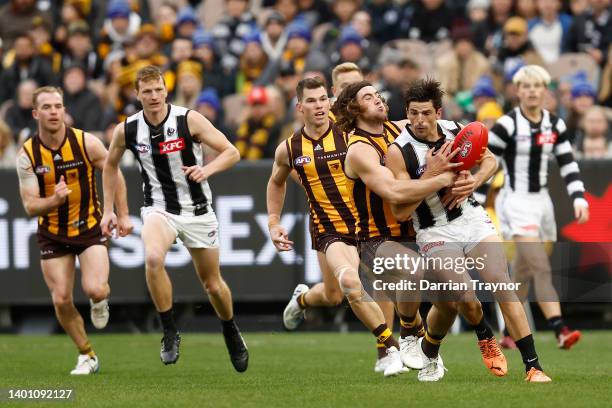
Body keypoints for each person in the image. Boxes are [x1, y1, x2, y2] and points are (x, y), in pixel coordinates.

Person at [388, 78, 551, 382]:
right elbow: (400, 210)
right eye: (413, 113)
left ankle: (533, 367)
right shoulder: (399, 152)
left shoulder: (455, 130)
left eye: (426, 113)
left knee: (501, 282)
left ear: (438, 111)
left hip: (471, 219)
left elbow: (489, 160)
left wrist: (474, 182)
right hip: (434, 231)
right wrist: (432, 176)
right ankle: (484, 334)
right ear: (407, 113)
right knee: (464, 296)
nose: (419, 120)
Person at [268, 77, 428, 377]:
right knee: (342, 288)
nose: (319, 106)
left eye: (323, 99)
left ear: (330, 101)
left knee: (390, 282)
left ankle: (394, 348)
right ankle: (389, 344)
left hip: (367, 226)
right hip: (331, 229)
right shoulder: (289, 148)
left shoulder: (351, 133)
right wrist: (274, 222)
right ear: (300, 106)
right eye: (311, 101)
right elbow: (276, 181)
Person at [102, 65, 249, 372]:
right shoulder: (127, 129)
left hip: (197, 211)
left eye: (158, 89)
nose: (154, 96)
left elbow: (232, 152)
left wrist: (206, 170)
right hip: (158, 208)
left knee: (212, 285)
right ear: (137, 94)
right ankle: (169, 330)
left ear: (166, 90)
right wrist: (113, 211)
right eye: (147, 91)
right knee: (153, 258)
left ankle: (230, 329)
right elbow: (110, 166)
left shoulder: (188, 119)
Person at [333, 80, 472, 381]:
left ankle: (430, 351)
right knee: (413, 270)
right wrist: (436, 176)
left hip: (417, 233)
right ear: (354, 109)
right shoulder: (359, 150)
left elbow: (442, 124)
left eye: (377, 94)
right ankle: (409, 330)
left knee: (452, 300)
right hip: (376, 239)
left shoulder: (401, 128)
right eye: (368, 97)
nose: (378, 99)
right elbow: (395, 193)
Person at [16, 86, 130, 375]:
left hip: (89, 227)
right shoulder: (28, 154)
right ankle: (87, 355)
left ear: (64, 110)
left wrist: (119, 213)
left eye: (58, 106)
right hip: (53, 232)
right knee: (61, 298)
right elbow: (30, 207)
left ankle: (100, 298)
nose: (54, 112)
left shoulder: (85, 142)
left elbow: (113, 172)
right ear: (35, 113)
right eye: (47, 107)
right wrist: (55, 199)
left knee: (94, 287)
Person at [489, 65, 589, 350]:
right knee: (541, 267)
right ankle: (560, 329)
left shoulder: (555, 124)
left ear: (545, 91)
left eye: (537, 86)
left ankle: (509, 332)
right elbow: (488, 166)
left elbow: (568, 164)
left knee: (522, 271)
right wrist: (479, 203)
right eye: (526, 86)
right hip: (516, 202)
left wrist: (579, 197)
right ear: (517, 91)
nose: (532, 90)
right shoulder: (506, 125)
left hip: (542, 204)